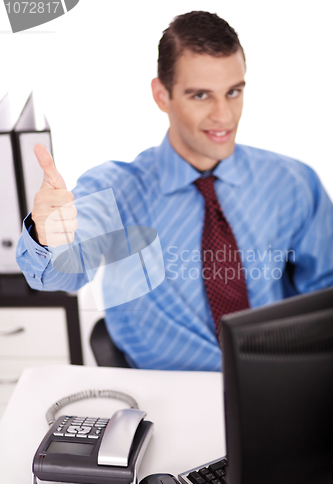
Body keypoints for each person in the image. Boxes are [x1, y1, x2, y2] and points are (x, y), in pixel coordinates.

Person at [16, 11, 333, 371]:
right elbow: (63, 273)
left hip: (273, 380)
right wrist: (47, 235)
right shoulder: (117, 189)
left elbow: (325, 290)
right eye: (200, 95)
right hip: (168, 391)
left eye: (233, 92)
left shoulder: (292, 182)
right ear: (162, 95)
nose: (224, 116)